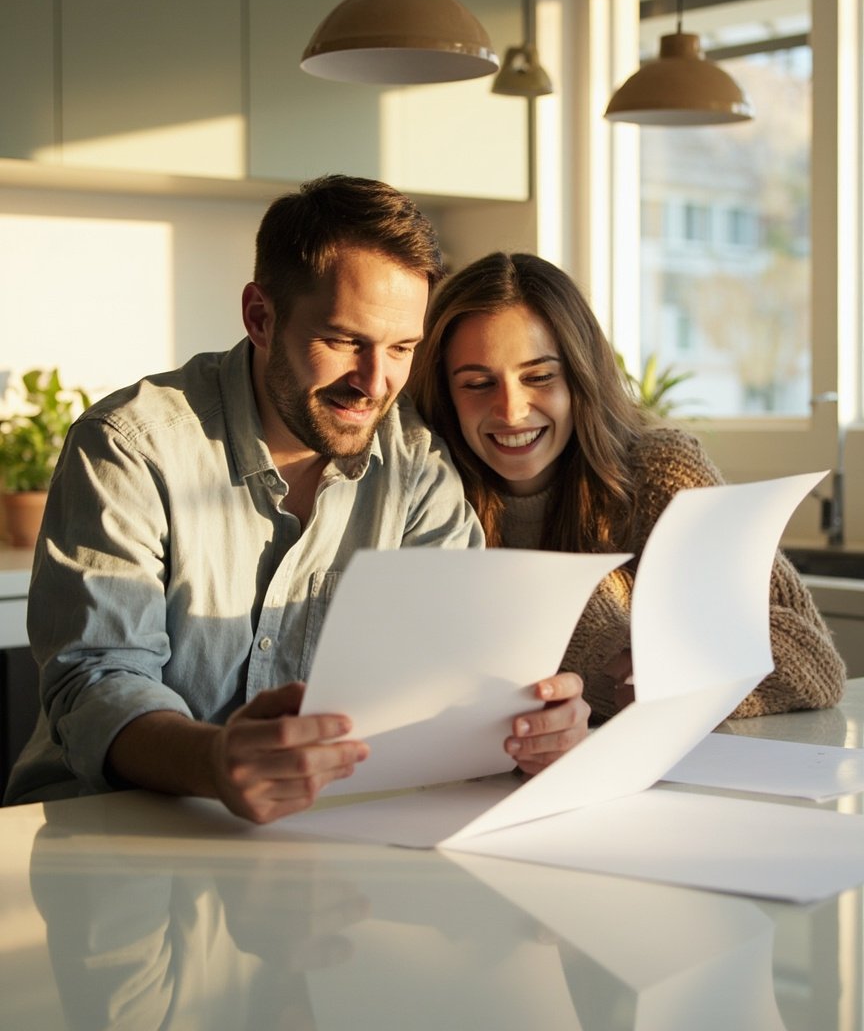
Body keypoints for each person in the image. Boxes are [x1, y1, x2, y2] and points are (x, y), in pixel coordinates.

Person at [5, 180, 590, 821]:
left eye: (401, 349)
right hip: (109, 826)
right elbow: (95, 680)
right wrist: (215, 760)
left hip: (329, 833)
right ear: (260, 317)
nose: (375, 383)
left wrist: (528, 724)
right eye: (344, 341)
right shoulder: (131, 447)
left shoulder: (417, 465)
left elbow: (456, 677)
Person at [409, 250, 846, 722]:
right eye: (477, 383)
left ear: (581, 376)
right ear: (446, 394)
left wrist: (671, 674)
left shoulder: (660, 473)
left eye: (539, 377)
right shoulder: (427, 494)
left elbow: (815, 665)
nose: (511, 410)